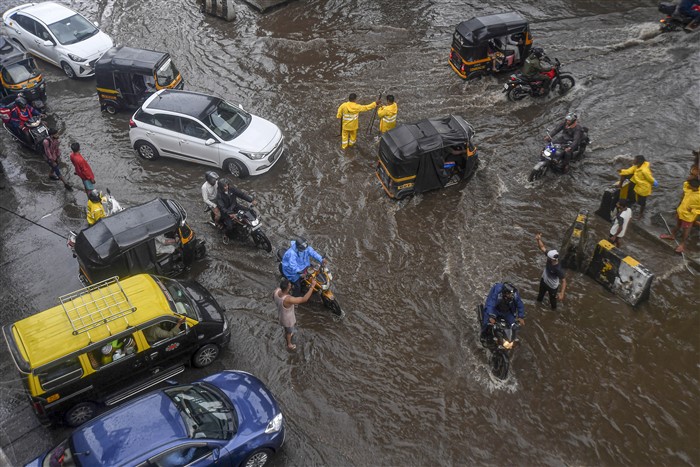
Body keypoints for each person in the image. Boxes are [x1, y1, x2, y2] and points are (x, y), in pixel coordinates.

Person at [273, 277, 317, 351]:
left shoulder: (276, 291)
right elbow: (304, 299)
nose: (291, 286)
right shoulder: (288, 299)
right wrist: (312, 286)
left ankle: (288, 333)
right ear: (287, 289)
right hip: (288, 320)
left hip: (281, 315)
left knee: (287, 329)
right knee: (289, 331)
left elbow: (274, 298)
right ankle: (289, 344)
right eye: (290, 286)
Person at [660, 178, 700, 253]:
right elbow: (686, 184)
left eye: (690, 186)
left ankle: (682, 244)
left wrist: (693, 210)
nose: (688, 186)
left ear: (695, 187)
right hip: (681, 212)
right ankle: (672, 235)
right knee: (678, 224)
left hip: (688, 217)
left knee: (686, 230)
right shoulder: (689, 189)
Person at [535, 233, 567, 310]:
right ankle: (537, 307)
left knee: (553, 302)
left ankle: (553, 311)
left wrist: (562, 293)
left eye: (548, 258)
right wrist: (538, 239)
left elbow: (564, 281)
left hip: (552, 287)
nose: (547, 258)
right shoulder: (551, 257)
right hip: (544, 281)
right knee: (539, 297)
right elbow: (542, 247)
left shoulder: (558, 269)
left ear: (553, 259)